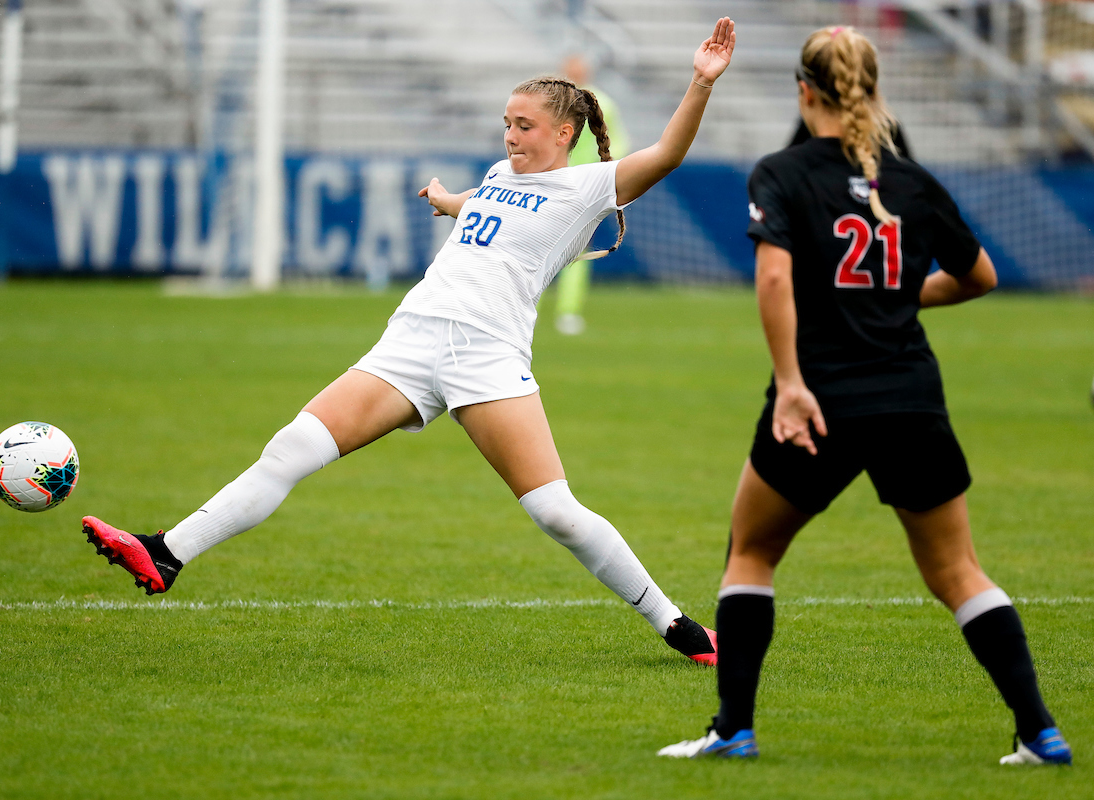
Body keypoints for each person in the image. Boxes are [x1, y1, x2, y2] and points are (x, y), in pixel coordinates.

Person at [81, 18, 738, 667]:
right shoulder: (499, 175)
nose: (510, 135)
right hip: (411, 340)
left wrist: (701, 83)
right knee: (291, 448)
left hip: (487, 355)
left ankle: (675, 624)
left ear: (564, 133)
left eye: (525, 125)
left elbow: (667, 155)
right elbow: (487, 204)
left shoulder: (588, 186)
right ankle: (167, 551)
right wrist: (450, 200)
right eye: (506, 123)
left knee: (556, 513)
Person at [658, 25, 1070, 763]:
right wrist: (899, 299)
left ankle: (733, 730)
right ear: (873, 89)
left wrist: (789, 384)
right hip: (912, 396)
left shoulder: (782, 173)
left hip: (820, 399)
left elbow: (777, 278)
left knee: (750, 552)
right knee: (958, 572)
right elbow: (980, 277)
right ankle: (1040, 730)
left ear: (803, 91)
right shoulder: (911, 181)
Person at [553, 54, 631, 336]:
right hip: (552, 183)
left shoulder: (603, 105)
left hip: (582, 189)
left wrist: (605, 174)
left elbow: (618, 141)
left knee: (575, 251)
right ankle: (527, 308)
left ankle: (567, 312)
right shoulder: (552, 104)